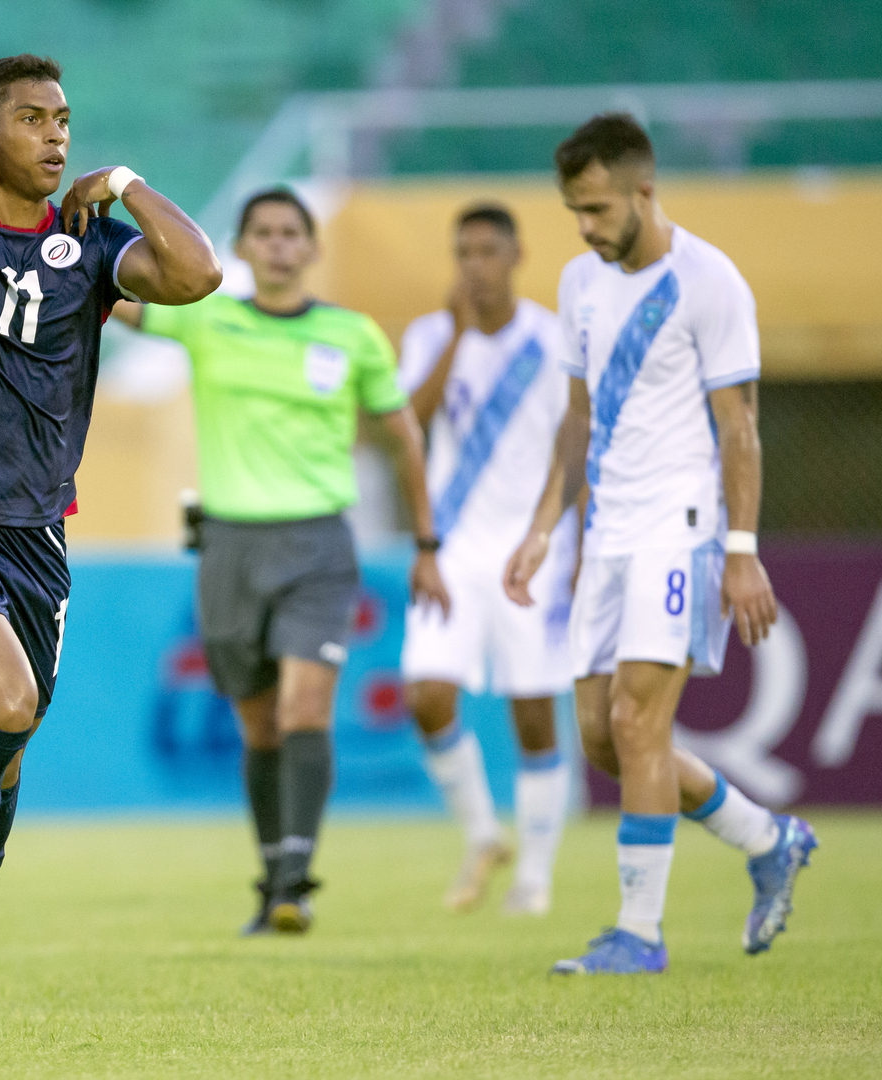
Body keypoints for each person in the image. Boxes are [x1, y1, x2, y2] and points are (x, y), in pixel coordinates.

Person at [0, 54, 221, 1043]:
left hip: (36, 537)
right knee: (6, 701)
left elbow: (198, 275)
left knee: (10, 750)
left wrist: (125, 185)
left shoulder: (90, 245)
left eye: (63, 119)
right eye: (31, 119)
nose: (57, 135)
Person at [503, 113, 817, 975]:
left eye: (599, 209)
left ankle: (638, 935)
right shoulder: (579, 282)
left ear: (645, 189)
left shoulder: (710, 282)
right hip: (605, 534)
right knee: (605, 740)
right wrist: (541, 530)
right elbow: (577, 418)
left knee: (641, 723)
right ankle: (768, 837)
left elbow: (739, 426)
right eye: (574, 211)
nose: (586, 228)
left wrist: (743, 549)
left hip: (680, 532)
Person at [112, 187, 449, 936]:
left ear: (311, 247)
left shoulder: (352, 335)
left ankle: (297, 874)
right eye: (262, 233)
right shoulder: (208, 318)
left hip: (319, 546)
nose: (277, 245)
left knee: (304, 709)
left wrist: (427, 544)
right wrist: (61, 232)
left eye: (291, 233)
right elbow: (107, 296)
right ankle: (274, 877)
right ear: (242, 246)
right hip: (229, 545)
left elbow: (404, 437)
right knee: (260, 725)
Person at [397, 202, 578, 916]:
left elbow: (578, 445)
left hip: (532, 549)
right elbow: (407, 425)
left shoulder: (553, 340)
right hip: (449, 547)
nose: (475, 266)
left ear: (516, 255)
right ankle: (482, 834)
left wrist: (574, 542)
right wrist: (457, 342)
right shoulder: (431, 334)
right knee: (427, 693)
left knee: (533, 710)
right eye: (463, 253)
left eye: (487, 251)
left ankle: (534, 877)